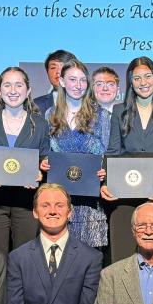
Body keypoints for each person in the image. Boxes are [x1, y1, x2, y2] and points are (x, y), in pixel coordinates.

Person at [0, 66, 51, 254]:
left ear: (28, 91)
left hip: (26, 203)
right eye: (7, 85)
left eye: (18, 85)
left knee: (25, 260)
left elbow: (44, 158)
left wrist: (40, 172)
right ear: (0, 91)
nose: (13, 90)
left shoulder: (40, 124)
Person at [102, 57, 153, 262]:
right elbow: (113, 151)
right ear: (130, 81)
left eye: (148, 76)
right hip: (123, 193)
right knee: (121, 257)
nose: (143, 82)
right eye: (137, 78)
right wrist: (105, 183)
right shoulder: (119, 111)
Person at [47, 59, 111, 249]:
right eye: (72, 80)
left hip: (90, 197)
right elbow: (48, 152)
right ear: (62, 82)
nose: (78, 85)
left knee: (89, 256)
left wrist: (104, 168)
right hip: (59, 197)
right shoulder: (50, 114)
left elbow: (106, 152)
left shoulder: (101, 115)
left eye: (82, 80)